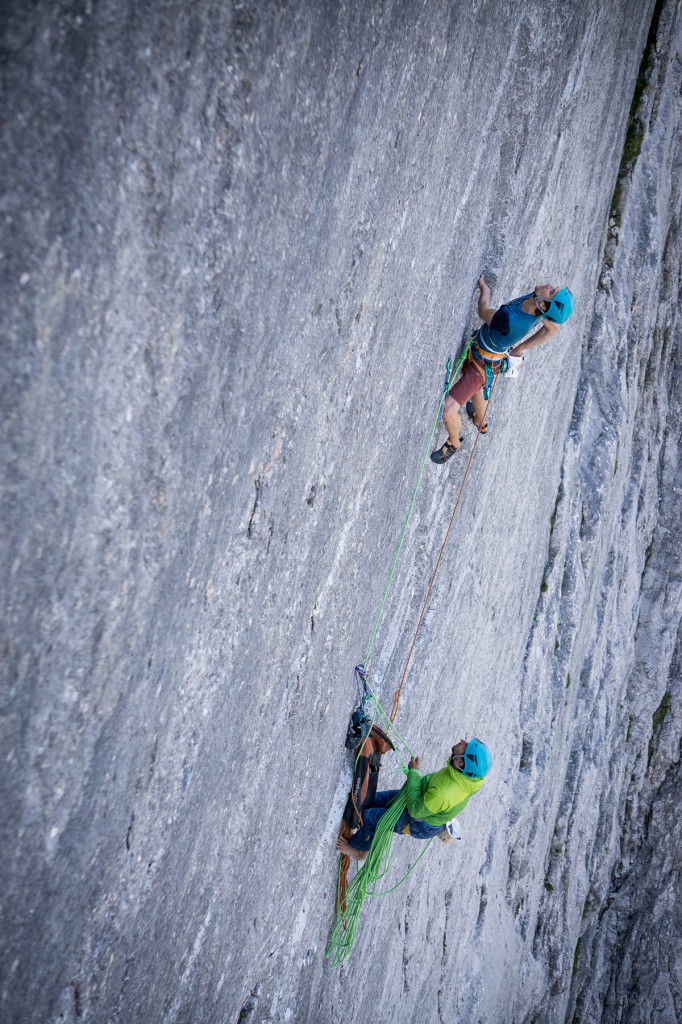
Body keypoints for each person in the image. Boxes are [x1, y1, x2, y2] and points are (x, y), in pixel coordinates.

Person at [430, 276, 575, 463]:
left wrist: (486, 291)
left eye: (551, 291)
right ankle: (480, 421)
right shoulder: (539, 304)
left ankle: (454, 442)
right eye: (553, 288)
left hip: (480, 364)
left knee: (448, 410)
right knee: (479, 389)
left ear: (544, 306)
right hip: (488, 358)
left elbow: (483, 311)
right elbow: (553, 328)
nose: (549, 285)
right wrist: (520, 349)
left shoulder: (508, 321)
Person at [336, 737, 492, 861]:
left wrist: (414, 773)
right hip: (424, 801)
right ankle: (364, 827)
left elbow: (415, 810)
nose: (463, 741)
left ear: (460, 762)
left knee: (371, 817)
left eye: (465, 747)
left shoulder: (444, 793)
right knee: (375, 799)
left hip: (419, 823)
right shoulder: (468, 778)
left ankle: (359, 851)